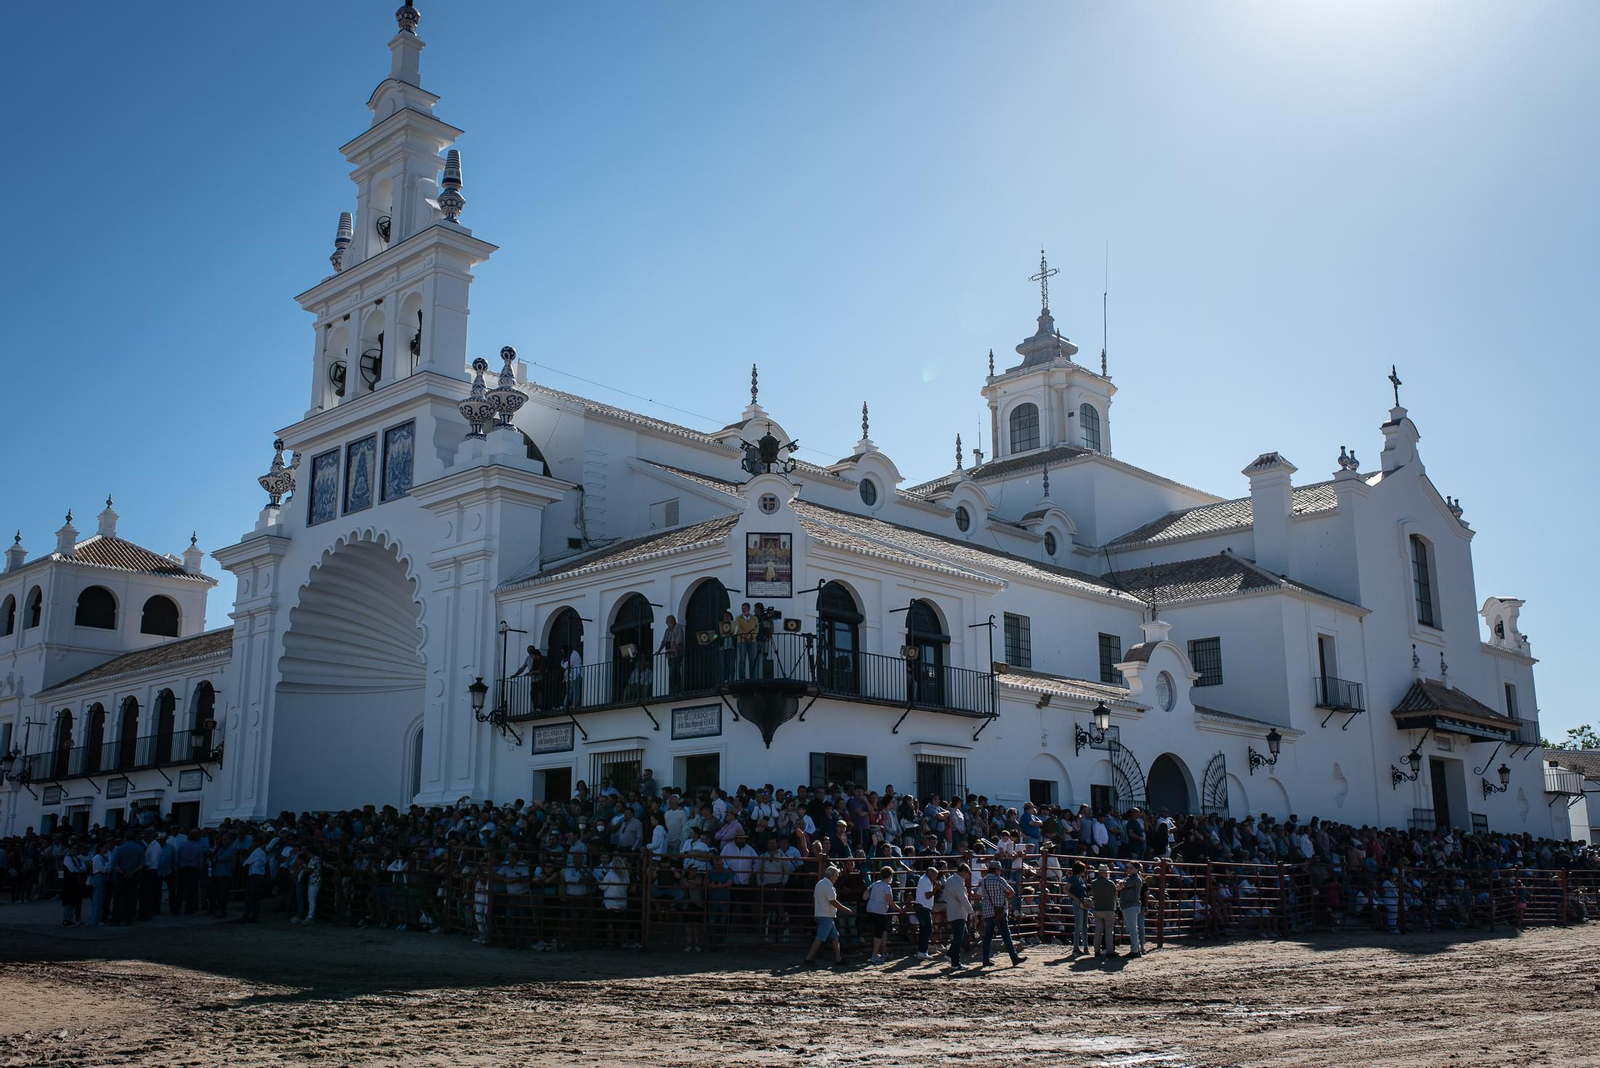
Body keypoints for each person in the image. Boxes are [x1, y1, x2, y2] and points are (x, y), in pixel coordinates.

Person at [977, 863, 1025, 967]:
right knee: (1006, 936)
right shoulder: (999, 879)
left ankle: (985, 959)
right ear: (997, 870)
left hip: (988, 911)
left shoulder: (984, 880)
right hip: (999, 911)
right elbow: (1011, 892)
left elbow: (981, 894)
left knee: (987, 936)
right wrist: (1005, 897)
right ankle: (1014, 958)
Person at [804, 864, 851, 968]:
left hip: (823, 914)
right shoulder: (829, 886)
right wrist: (845, 909)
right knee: (820, 938)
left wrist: (816, 912)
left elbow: (815, 899)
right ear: (832, 875)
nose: (837, 877)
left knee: (835, 937)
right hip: (827, 915)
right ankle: (808, 958)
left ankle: (838, 958)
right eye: (837, 875)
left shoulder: (819, 884)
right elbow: (833, 901)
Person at [943, 863, 975, 970]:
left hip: (954, 912)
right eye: (967, 875)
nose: (967, 877)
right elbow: (963, 898)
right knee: (958, 938)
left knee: (962, 934)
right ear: (964, 872)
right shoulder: (957, 882)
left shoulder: (951, 880)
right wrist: (971, 911)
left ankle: (950, 954)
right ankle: (955, 963)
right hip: (958, 913)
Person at [863, 864, 895, 963]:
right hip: (879, 911)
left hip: (871, 909)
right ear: (890, 876)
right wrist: (900, 910)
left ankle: (884, 951)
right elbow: (891, 903)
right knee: (878, 934)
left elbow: (866, 893)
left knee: (883, 931)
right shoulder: (887, 887)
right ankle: (874, 955)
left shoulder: (875, 883)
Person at [1091, 865, 1118, 959]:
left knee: (1098, 931)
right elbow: (1115, 894)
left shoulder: (1093, 883)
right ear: (1106, 873)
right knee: (1109, 931)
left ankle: (1096, 950)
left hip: (1097, 908)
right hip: (1108, 909)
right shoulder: (1111, 883)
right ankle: (1110, 951)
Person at [913, 860, 940, 960]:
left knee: (925, 929)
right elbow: (928, 895)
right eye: (935, 875)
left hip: (923, 907)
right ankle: (922, 950)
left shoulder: (925, 880)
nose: (936, 878)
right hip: (923, 908)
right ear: (930, 873)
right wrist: (936, 889)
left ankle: (921, 950)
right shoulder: (925, 881)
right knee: (927, 929)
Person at [239, 840, 269, 923]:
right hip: (259, 877)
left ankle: (247, 916)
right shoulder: (262, 853)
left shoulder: (257, 852)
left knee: (250, 898)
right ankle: (254, 917)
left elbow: (245, 863)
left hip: (254, 877)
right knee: (256, 899)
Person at [1120, 861, 1145, 957]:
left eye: (1131, 868)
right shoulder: (1131, 878)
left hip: (1131, 905)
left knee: (1132, 928)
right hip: (1130, 905)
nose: (1129, 869)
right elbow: (1121, 885)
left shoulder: (1134, 879)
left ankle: (1135, 950)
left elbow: (1122, 885)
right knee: (1133, 928)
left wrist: (1121, 884)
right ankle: (1136, 949)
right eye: (1128, 868)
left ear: (1136, 869)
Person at [1067, 860, 1091, 952]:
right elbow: (1066, 889)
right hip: (1078, 902)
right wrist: (1074, 897)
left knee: (1084, 925)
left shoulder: (1080, 879)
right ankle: (1076, 947)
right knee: (1079, 925)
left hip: (1083, 902)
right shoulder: (1074, 879)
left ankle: (1085, 946)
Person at [658, 616, 686, 693]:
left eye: (667, 621)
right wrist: (659, 651)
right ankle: (672, 689)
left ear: (672, 621)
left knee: (674, 672)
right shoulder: (667, 630)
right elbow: (664, 641)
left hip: (676, 655)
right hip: (670, 656)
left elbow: (678, 642)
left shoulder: (678, 628)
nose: (666, 623)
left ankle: (676, 690)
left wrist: (673, 649)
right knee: (672, 672)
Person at [735, 603, 758, 679]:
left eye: (744, 608)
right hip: (742, 641)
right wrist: (746, 636)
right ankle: (742, 678)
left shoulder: (754, 618)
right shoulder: (738, 618)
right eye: (742, 608)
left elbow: (756, 628)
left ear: (748, 608)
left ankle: (753, 677)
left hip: (752, 641)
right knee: (742, 660)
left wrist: (752, 636)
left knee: (753, 660)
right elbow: (738, 628)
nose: (743, 609)